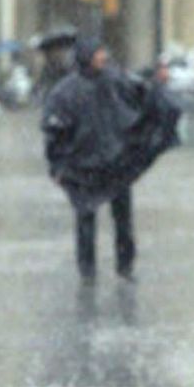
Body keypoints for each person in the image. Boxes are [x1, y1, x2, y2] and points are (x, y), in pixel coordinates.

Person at [41, 37, 145, 282]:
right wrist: (57, 166)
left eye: (103, 52)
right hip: (84, 166)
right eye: (98, 53)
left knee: (123, 219)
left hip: (117, 163)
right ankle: (87, 269)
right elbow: (55, 132)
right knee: (85, 219)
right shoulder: (66, 91)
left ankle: (125, 266)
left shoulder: (116, 81)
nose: (103, 57)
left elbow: (138, 104)